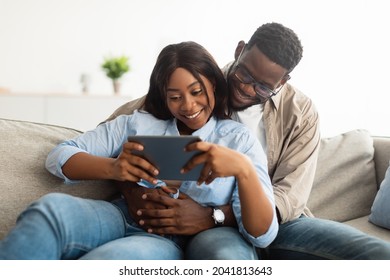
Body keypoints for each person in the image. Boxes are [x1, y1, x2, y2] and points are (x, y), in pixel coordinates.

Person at [104, 22, 390, 259]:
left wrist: (213, 215)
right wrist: (133, 193)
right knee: (226, 258)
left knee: (376, 253)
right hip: (206, 229)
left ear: (283, 81)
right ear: (240, 50)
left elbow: (290, 196)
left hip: (277, 223)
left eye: (263, 87)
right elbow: (121, 133)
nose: (244, 89)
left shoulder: (300, 111)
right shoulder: (202, 84)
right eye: (244, 74)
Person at [0, 41, 278, 260]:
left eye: (197, 91)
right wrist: (113, 168)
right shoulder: (138, 124)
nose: (188, 106)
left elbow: (263, 236)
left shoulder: (238, 140)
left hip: (176, 240)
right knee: (49, 210)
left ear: (213, 84)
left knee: (110, 261)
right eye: (175, 97)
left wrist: (242, 170)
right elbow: (58, 157)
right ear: (163, 96)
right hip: (125, 218)